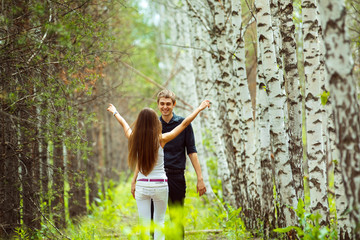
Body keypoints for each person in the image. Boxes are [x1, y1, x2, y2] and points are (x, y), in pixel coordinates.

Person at [107, 99, 210, 240]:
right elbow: (184, 124)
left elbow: (124, 124)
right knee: (159, 222)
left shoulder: (134, 138)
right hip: (160, 185)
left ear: (139, 122)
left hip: (142, 186)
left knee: (145, 225)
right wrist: (198, 109)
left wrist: (115, 112)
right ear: (155, 123)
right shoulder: (161, 139)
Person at [156, 89, 207, 238]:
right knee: (155, 219)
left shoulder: (183, 124)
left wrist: (200, 178)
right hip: (156, 177)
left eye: (168, 104)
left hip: (176, 176)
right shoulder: (154, 125)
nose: (165, 107)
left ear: (174, 104)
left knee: (176, 219)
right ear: (158, 105)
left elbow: (192, 151)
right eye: (162, 104)